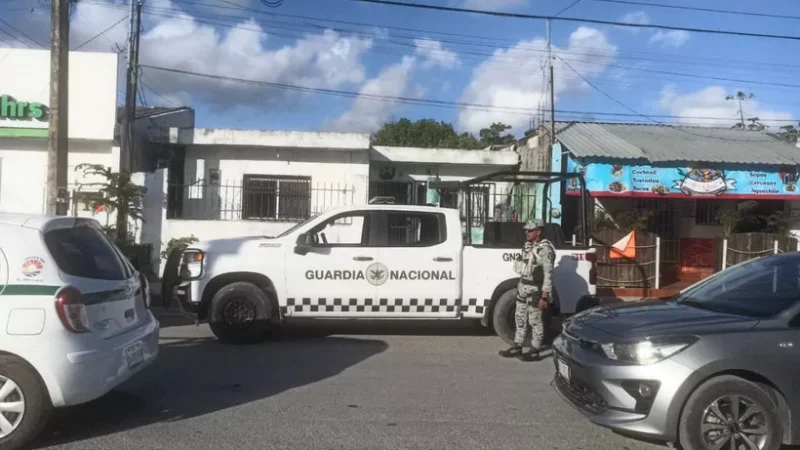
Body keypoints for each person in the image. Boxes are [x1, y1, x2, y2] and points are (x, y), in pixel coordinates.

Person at [499, 219, 556, 362]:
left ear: (538, 232)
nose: (527, 233)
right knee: (519, 318)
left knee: (534, 320)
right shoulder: (526, 246)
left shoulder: (546, 250)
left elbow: (548, 274)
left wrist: (544, 296)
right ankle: (517, 345)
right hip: (523, 286)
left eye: (530, 230)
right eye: (526, 230)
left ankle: (535, 350)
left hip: (536, 289)